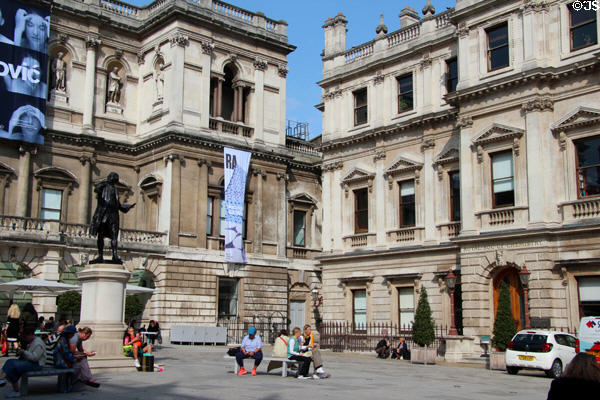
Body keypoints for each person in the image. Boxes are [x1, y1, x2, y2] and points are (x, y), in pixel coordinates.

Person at [0, 326, 45, 398]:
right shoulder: (32, 341)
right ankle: (5, 381)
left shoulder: (38, 343)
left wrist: (24, 352)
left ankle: (2, 379)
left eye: (26, 337)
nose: (25, 339)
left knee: (12, 365)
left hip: (37, 365)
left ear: (30, 335)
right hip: (30, 362)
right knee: (10, 362)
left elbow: (35, 358)